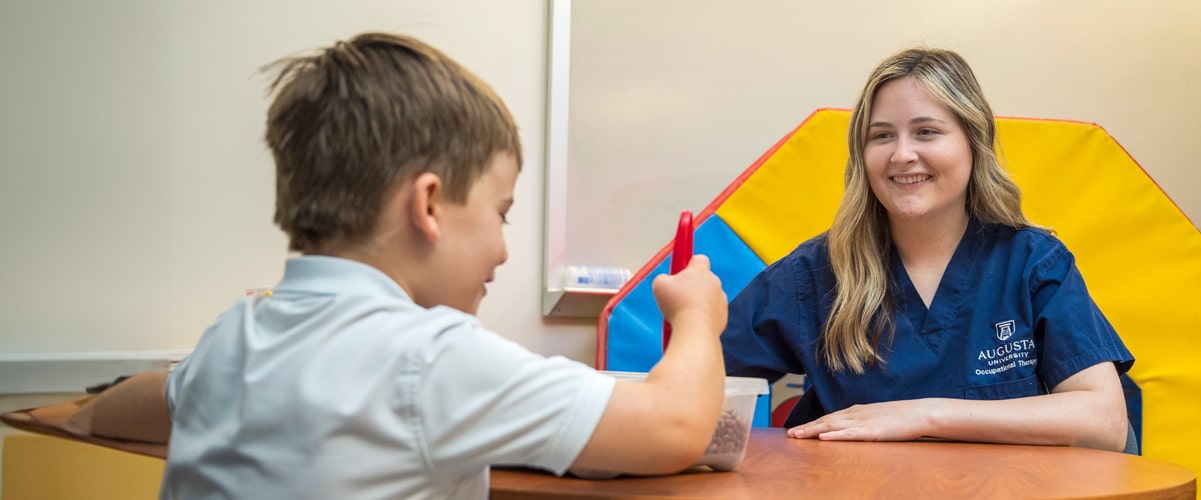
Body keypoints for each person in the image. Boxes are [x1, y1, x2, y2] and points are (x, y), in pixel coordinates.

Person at [161, 32, 729, 498]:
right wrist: (698, 317)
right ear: (428, 205)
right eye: (500, 215)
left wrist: (85, 413)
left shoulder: (230, 337)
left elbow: (145, 403)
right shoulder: (430, 357)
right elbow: (674, 426)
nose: (504, 251)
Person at [720, 48, 1135, 452]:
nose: (902, 154)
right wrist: (690, 316)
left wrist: (925, 416)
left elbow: (1105, 422)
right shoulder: (814, 274)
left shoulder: (1032, 263)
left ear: (973, 142)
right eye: (882, 136)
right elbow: (698, 382)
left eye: (927, 131)